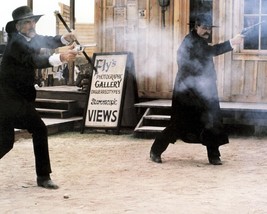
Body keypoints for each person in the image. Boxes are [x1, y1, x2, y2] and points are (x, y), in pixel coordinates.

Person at [0, 6, 78, 189]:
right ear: (18, 26)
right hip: (10, 100)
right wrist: (61, 57)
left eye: (33, 20)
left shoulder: (29, 38)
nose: (32, 24)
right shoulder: (16, 43)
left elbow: (46, 40)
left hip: (11, 100)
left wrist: (63, 38)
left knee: (5, 143)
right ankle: (43, 176)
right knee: (40, 129)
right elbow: (33, 61)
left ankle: (43, 176)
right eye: (28, 22)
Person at [150, 14, 244, 165]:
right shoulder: (191, 41)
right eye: (204, 28)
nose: (207, 31)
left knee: (211, 120)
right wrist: (231, 43)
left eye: (209, 28)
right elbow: (208, 53)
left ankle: (214, 156)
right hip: (187, 91)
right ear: (196, 27)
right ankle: (155, 150)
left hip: (204, 88)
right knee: (178, 124)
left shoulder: (199, 41)